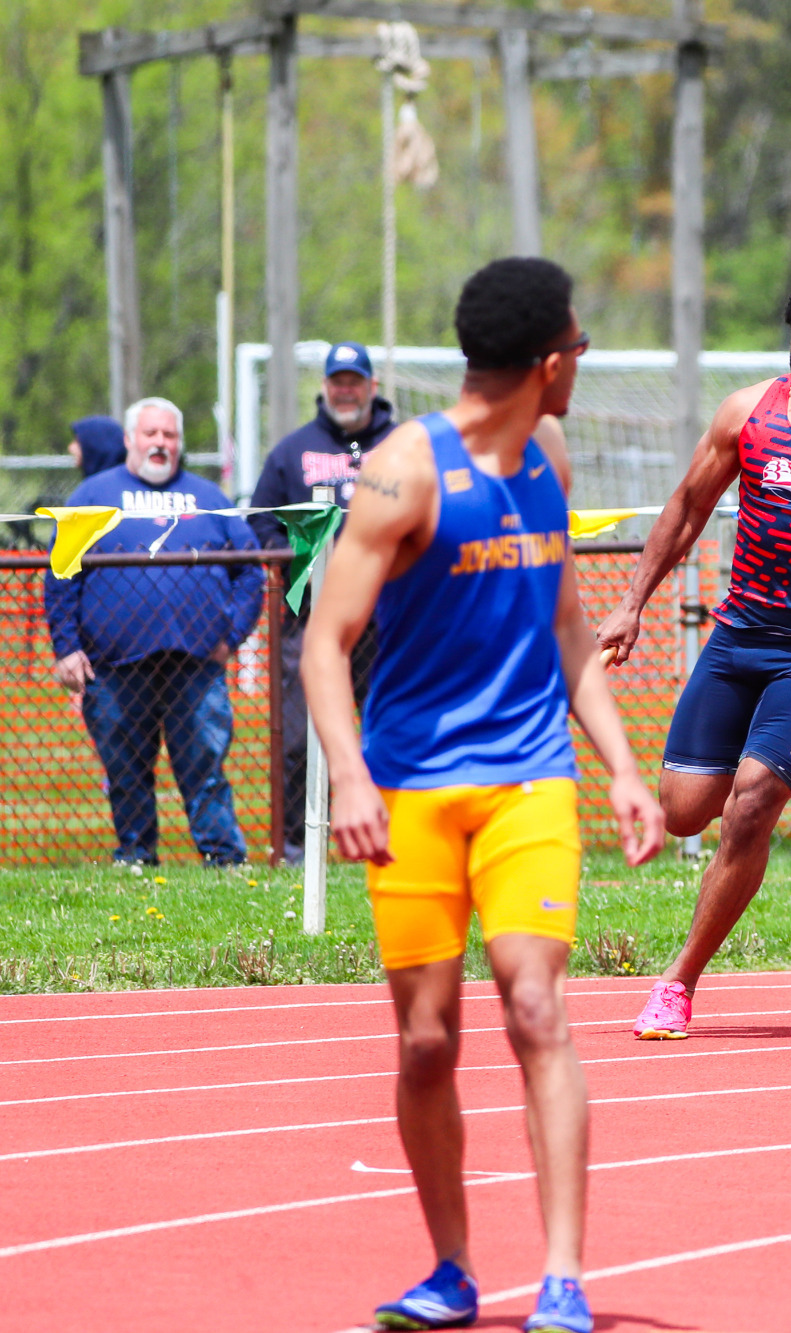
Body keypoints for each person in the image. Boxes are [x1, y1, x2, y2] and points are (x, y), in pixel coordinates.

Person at [302, 257, 665, 1333]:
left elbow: (567, 629)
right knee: (425, 1040)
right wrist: (351, 777)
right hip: (411, 789)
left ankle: (561, 1277)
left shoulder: (547, 457)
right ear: (547, 362)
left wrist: (623, 769)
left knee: (536, 1007)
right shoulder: (403, 473)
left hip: (527, 784)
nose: (581, 368)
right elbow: (325, 640)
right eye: (579, 351)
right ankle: (452, 1267)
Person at [600, 267, 791, 1041]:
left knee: (752, 802)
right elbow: (689, 506)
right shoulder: (749, 413)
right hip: (739, 636)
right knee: (684, 812)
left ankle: (677, 982)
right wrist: (632, 603)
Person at [44, 397, 262, 865]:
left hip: (197, 663)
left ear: (180, 443)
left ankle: (224, 859)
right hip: (115, 665)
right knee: (126, 769)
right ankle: (136, 857)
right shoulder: (91, 497)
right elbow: (61, 573)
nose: (161, 443)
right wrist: (66, 648)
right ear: (129, 440)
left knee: (204, 767)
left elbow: (251, 571)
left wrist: (233, 634)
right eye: (151, 434)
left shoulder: (209, 498)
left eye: (170, 435)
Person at [252, 341, 398, 863]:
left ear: (371, 387)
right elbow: (260, 522)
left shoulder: (404, 444)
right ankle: (297, 844)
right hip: (311, 621)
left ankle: (398, 835)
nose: (345, 390)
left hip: (391, 622)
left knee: (392, 728)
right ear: (324, 387)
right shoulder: (292, 452)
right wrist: (300, 558)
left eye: (354, 381)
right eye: (337, 381)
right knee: (298, 735)